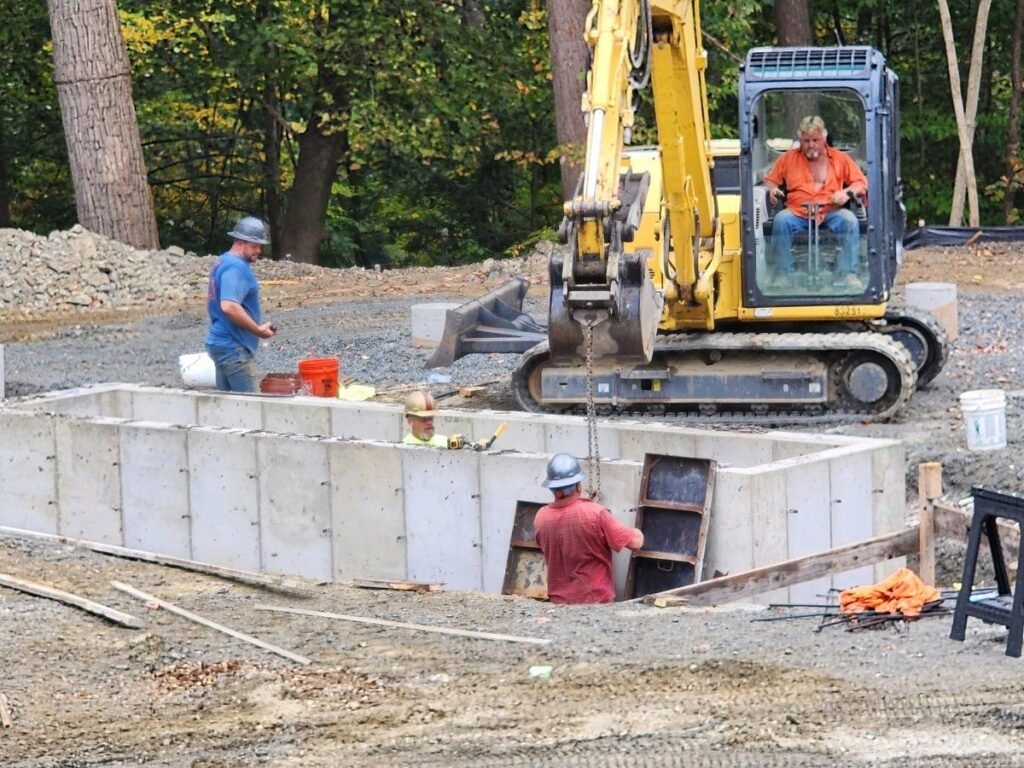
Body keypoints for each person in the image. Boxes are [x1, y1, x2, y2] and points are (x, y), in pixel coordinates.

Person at [762, 115, 868, 288]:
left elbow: (861, 183)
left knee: (849, 220)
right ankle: (783, 275)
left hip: (830, 211)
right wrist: (772, 190)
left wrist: (846, 193)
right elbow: (770, 181)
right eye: (806, 140)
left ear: (824, 137)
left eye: (815, 140)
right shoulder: (788, 159)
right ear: (800, 140)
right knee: (781, 220)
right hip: (797, 212)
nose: (811, 145)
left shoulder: (840, 159)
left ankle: (848, 273)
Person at [533, 453, 644, 605]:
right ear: (578, 486)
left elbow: (566, 532)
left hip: (558, 605)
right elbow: (635, 543)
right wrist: (638, 532)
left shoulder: (541, 517)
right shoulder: (596, 513)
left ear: (553, 489)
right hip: (594, 603)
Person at [205, 216, 277, 392]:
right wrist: (257, 330)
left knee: (228, 407)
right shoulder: (236, 268)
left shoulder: (222, 261)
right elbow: (229, 306)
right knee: (251, 410)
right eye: (254, 245)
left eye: (260, 246)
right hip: (234, 348)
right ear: (240, 242)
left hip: (221, 343)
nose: (259, 250)